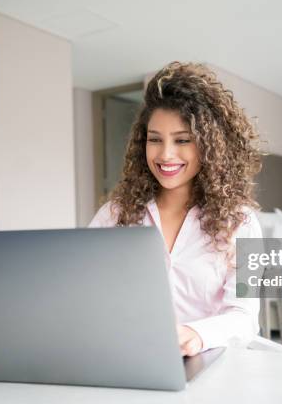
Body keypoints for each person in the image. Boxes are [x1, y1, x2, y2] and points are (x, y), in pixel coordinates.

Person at [89, 62, 263, 356]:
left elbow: (245, 316)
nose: (165, 154)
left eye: (182, 140)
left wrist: (196, 333)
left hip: (213, 360)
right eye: (155, 139)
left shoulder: (241, 222)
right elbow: (86, 290)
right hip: (131, 355)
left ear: (209, 145)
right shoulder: (114, 214)